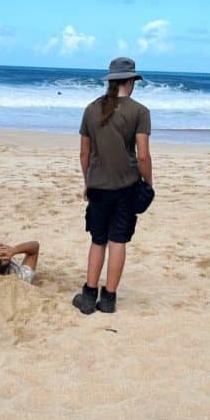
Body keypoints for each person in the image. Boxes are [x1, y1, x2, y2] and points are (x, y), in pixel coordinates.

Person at [72, 57, 152, 314]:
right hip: (126, 185)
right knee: (118, 241)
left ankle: (88, 295)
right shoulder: (139, 111)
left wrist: (88, 181)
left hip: (97, 185)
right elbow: (142, 156)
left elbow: (84, 154)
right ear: (131, 81)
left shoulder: (91, 109)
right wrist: (148, 183)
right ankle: (108, 298)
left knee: (98, 241)